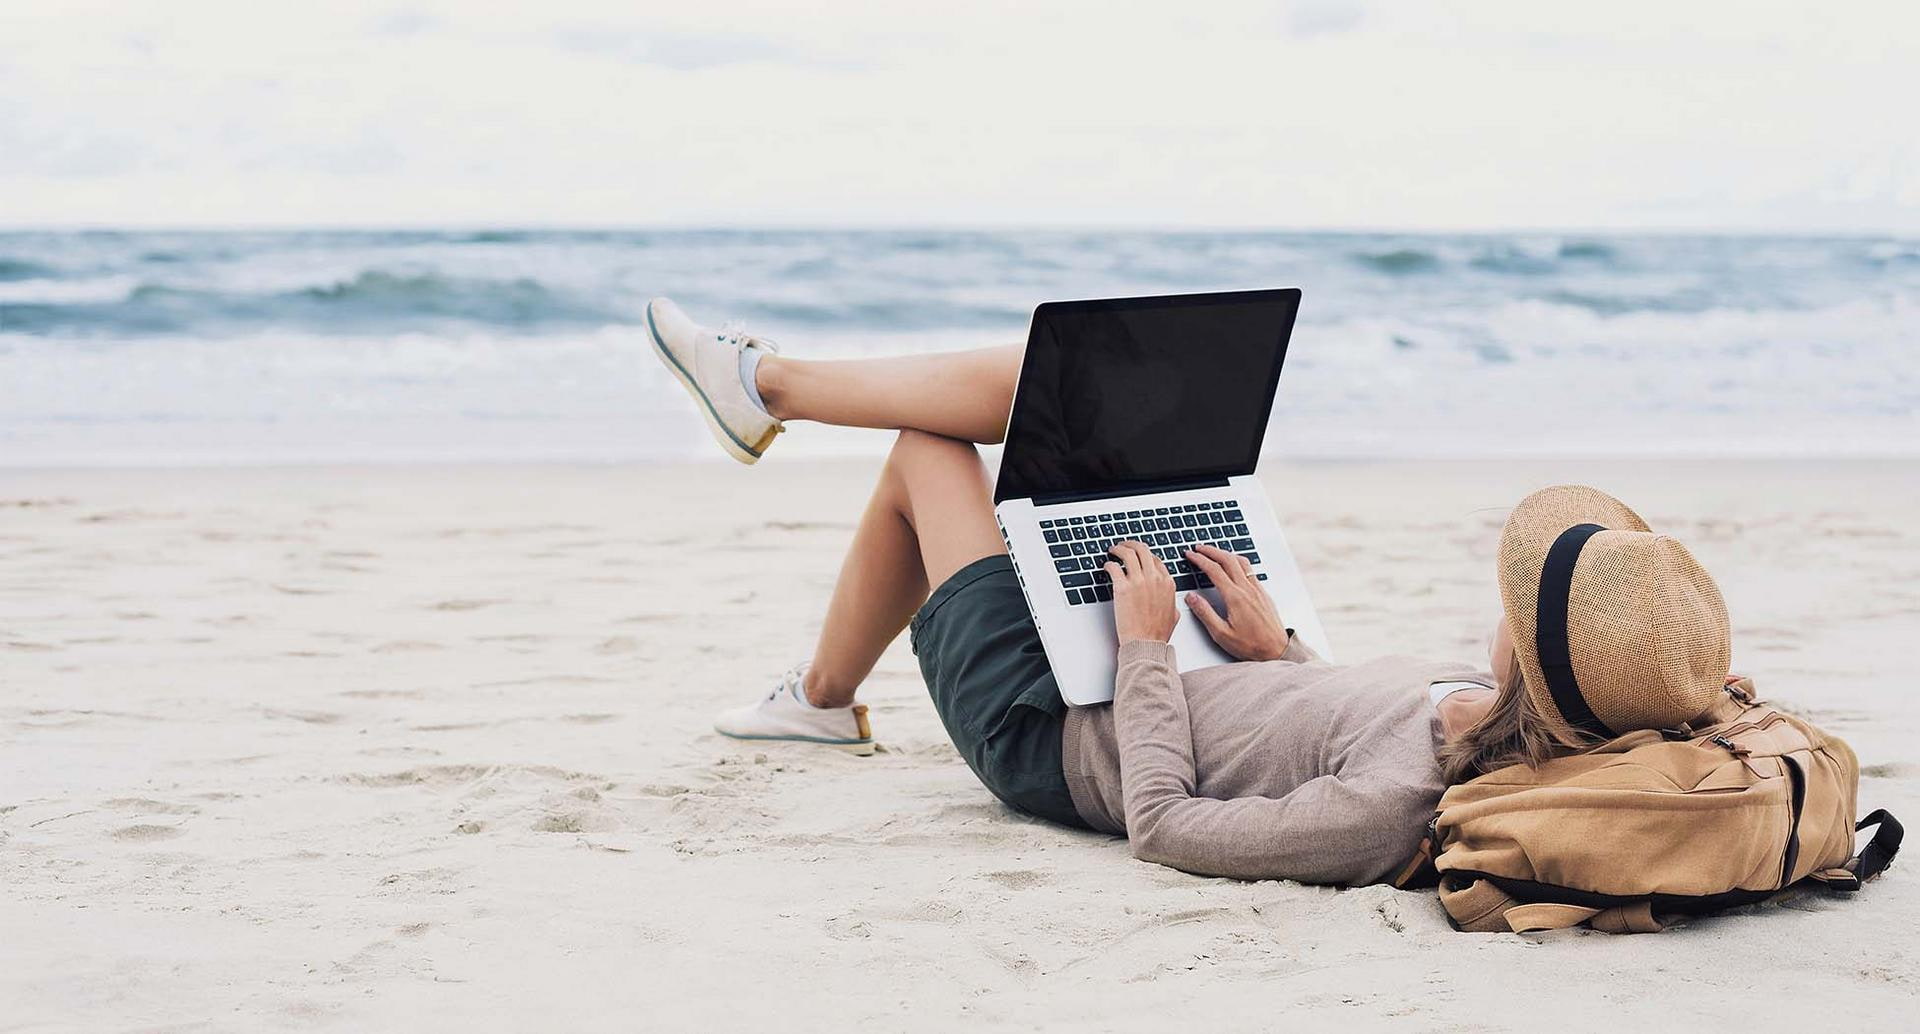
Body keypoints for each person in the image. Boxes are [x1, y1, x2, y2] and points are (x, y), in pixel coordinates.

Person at [643, 297, 1736, 886]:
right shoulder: (1467, 700)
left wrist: (1147, 649)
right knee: (1043, 384)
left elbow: (1164, 825)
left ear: (1534, 664)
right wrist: (1276, 652)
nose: (1507, 597)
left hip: (1054, 734)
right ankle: (818, 684)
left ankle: (771, 408)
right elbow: (1308, 723)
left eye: (1528, 596)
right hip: (1167, 665)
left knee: (929, 450)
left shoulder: (1391, 806)